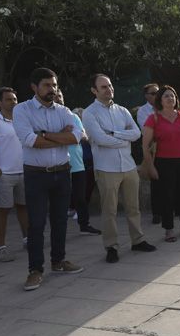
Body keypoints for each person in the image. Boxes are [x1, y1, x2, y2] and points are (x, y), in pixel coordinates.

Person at [12, 68, 85, 291]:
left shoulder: (63, 110)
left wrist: (44, 134)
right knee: (36, 224)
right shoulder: (22, 110)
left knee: (60, 220)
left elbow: (77, 137)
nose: (52, 89)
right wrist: (58, 137)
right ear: (34, 87)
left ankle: (58, 261)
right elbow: (29, 140)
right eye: (46, 85)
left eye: (54, 85)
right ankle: (35, 270)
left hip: (62, 172)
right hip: (36, 174)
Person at [82, 73, 156, 263]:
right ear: (94, 90)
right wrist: (123, 139)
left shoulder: (122, 110)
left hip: (128, 165)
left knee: (133, 207)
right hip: (106, 168)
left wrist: (115, 134)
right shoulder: (90, 113)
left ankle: (138, 240)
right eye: (104, 87)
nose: (109, 89)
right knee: (110, 211)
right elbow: (100, 139)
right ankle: (111, 246)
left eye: (110, 85)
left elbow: (136, 133)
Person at [142, 85, 180, 241]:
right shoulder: (153, 118)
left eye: (173, 96)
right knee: (167, 196)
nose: (170, 98)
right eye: (166, 96)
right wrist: (150, 166)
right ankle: (169, 230)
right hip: (164, 162)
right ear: (160, 99)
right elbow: (145, 145)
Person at [0, 87, 29, 262]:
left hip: (24, 172)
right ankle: (1, 248)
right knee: (3, 210)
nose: (13, 102)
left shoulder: (22, 120)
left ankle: (27, 240)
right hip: (3, 175)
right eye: (9, 99)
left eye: (15, 99)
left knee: (24, 207)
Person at [53, 89, 99, 236]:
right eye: (55, 96)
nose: (58, 98)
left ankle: (84, 226)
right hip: (58, 164)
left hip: (78, 163)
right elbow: (45, 138)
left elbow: (82, 136)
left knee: (81, 197)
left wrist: (60, 135)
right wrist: (65, 133)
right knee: (60, 199)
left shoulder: (73, 117)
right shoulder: (48, 118)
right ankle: (58, 229)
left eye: (60, 95)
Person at [136, 83, 162, 224]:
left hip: (168, 148)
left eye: (158, 92)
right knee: (156, 181)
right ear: (146, 96)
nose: (157, 96)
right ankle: (157, 213)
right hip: (153, 149)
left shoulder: (165, 106)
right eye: (153, 93)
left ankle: (174, 208)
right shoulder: (142, 111)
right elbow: (147, 130)